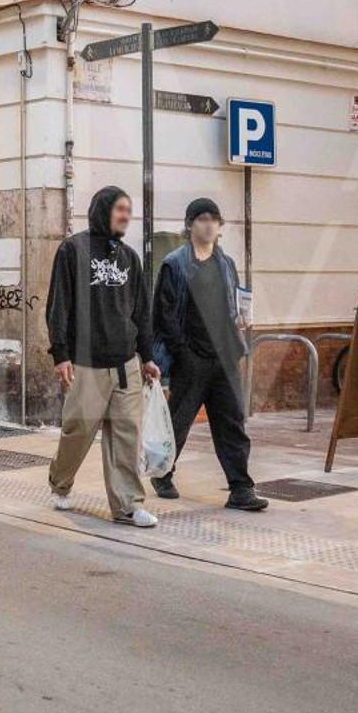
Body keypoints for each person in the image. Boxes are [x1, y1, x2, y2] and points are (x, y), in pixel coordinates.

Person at [44, 186, 161, 528]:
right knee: (78, 431)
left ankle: (128, 505)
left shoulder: (129, 257)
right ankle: (60, 482)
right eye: (120, 209)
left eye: (129, 210)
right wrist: (60, 354)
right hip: (86, 364)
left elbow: (142, 312)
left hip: (126, 365)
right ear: (103, 210)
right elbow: (58, 306)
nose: (126, 216)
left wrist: (148, 356)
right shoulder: (73, 250)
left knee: (127, 435)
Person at [151, 198, 269, 512]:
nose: (208, 224)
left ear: (219, 226)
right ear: (190, 225)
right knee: (178, 422)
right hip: (191, 357)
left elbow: (234, 302)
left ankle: (241, 489)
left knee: (232, 423)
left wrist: (241, 319)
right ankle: (162, 474)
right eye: (201, 218)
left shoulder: (226, 263)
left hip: (224, 357)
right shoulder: (175, 263)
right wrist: (181, 351)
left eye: (213, 219)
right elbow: (163, 312)